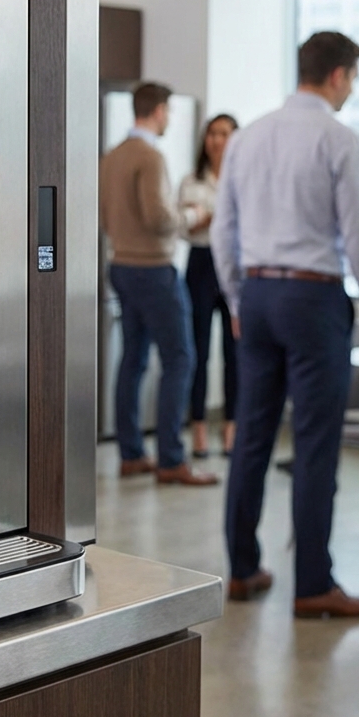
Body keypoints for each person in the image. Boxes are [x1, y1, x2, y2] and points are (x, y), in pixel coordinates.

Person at [211, 31, 359, 619]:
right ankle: (312, 585)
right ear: (338, 76)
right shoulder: (340, 139)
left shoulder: (247, 138)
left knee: (251, 438)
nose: (351, 88)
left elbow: (225, 231)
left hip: (260, 295)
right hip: (314, 299)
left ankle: (243, 571)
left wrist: (238, 302)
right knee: (316, 445)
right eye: (353, 78)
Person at [100, 82, 219, 486]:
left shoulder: (111, 156)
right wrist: (193, 215)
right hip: (153, 269)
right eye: (167, 111)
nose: (168, 118)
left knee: (132, 360)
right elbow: (159, 218)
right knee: (180, 359)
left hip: (120, 265)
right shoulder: (150, 157)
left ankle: (132, 454)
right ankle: (171, 460)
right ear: (158, 110)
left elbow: (105, 217)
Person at [179, 114, 239, 459]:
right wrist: (211, 219)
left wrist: (207, 217)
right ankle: (199, 430)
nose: (217, 140)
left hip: (232, 263)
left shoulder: (243, 178)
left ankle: (231, 428)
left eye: (225, 134)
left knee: (235, 354)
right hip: (201, 264)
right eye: (213, 134)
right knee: (197, 352)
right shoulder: (191, 181)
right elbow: (185, 228)